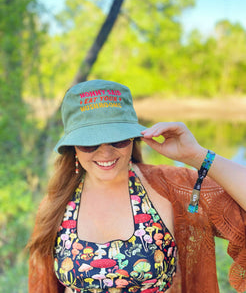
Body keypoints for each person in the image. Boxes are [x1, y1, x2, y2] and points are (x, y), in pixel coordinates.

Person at [28, 80, 246, 293]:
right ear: (72, 146)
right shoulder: (56, 205)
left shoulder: (171, 187)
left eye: (118, 140)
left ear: (133, 138)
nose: (106, 153)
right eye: (90, 142)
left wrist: (197, 155)